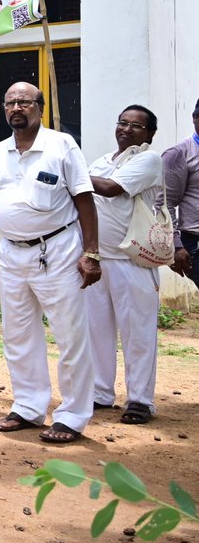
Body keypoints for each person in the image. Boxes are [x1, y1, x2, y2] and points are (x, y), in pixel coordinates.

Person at [0, 82, 101, 444]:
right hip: (13, 254)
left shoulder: (62, 145)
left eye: (25, 102)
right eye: (10, 102)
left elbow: (84, 201)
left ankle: (73, 416)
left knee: (70, 335)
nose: (17, 107)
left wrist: (91, 253)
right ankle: (28, 407)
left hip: (59, 251)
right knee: (17, 334)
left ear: (40, 108)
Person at [87, 105, 163, 424]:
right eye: (122, 123)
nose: (126, 129)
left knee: (138, 334)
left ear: (149, 134)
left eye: (135, 126)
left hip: (133, 261)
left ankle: (140, 400)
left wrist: (68, 171)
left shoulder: (148, 159)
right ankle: (101, 393)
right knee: (97, 332)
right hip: (98, 260)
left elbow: (111, 188)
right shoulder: (101, 161)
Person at [164, 99, 199, 289]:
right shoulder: (179, 154)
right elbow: (165, 204)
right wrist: (176, 245)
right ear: (194, 118)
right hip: (195, 240)